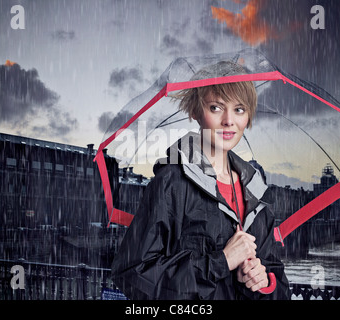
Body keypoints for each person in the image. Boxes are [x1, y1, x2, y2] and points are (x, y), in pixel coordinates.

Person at [111, 61, 291, 300]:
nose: (229, 120)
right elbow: (134, 274)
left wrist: (261, 282)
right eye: (216, 107)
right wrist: (221, 262)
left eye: (239, 109)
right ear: (196, 112)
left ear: (248, 117)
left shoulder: (256, 193)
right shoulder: (172, 183)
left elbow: (279, 288)